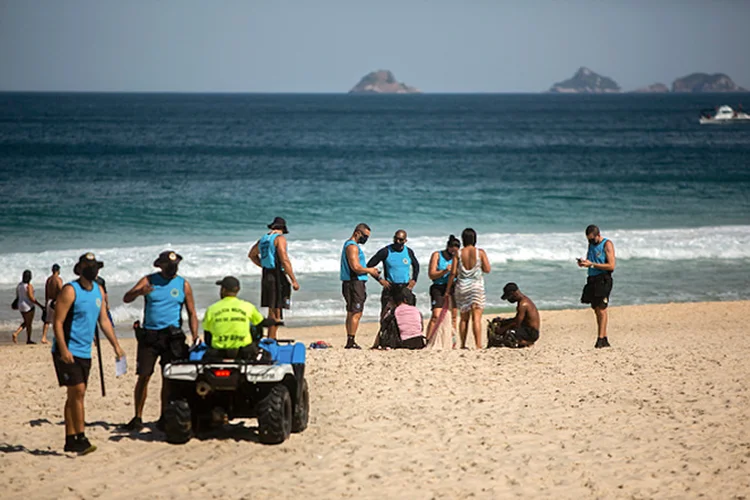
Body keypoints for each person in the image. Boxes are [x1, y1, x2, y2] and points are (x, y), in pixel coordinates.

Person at [51, 253, 125, 454]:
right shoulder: (70, 290)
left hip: (85, 350)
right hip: (67, 350)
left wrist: (116, 345)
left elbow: (104, 321)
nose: (92, 269)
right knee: (79, 392)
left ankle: (69, 438)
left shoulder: (98, 291)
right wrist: (64, 349)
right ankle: (81, 437)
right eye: (88, 266)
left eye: (95, 266)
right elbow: (57, 322)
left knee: (73, 394)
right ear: (80, 268)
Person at [121, 250, 199, 431]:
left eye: (175, 266)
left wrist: (195, 335)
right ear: (161, 266)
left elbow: (192, 312)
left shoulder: (183, 284)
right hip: (150, 336)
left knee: (169, 378)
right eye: (170, 266)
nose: (173, 269)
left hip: (173, 337)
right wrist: (140, 292)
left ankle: (165, 416)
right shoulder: (148, 280)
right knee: (144, 376)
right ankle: (138, 416)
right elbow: (127, 298)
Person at [248, 217, 300, 339]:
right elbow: (284, 259)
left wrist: (263, 265)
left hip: (266, 274)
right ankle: (271, 339)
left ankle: (272, 337)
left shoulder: (263, 240)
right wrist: (293, 279)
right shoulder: (279, 239)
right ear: (282, 229)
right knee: (276, 309)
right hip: (277, 275)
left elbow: (251, 255)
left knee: (271, 308)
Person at [202, 276, 265, 360]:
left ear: (223, 290)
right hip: (243, 351)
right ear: (238, 290)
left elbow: (207, 335)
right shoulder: (248, 306)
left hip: (218, 352)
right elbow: (260, 323)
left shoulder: (211, 309)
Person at [340, 223, 381, 349]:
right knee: (356, 312)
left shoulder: (351, 245)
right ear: (357, 233)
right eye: (365, 236)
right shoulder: (352, 247)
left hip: (350, 282)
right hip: (355, 282)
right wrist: (370, 270)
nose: (365, 239)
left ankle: (350, 339)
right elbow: (356, 267)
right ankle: (351, 340)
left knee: (351, 312)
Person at [449, 228, 491, 349]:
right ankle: (478, 345)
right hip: (476, 287)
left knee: (463, 318)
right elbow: (487, 269)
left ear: (463, 239)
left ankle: (463, 344)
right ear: (474, 238)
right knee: (476, 318)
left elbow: (453, 273)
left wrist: (448, 289)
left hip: (462, 287)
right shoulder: (480, 252)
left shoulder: (458, 253)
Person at [366, 229, 420, 319]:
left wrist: (414, 279)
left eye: (400, 240)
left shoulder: (409, 252)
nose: (397, 241)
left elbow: (416, 266)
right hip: (390, 287)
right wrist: (380, 280)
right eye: (396, 238)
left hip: (405, 287)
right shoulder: (385, 251)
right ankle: (384, 332)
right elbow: (369, 266)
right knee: (386, 315)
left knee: (407, 314)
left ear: (405, 241)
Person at [578, 225, 616, 348]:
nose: (591, 242)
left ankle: (601, 338)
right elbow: (591, 261)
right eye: (589, 240)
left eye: (592, 240)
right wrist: (584, 263)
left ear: (598, 235)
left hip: (603, 279)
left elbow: (611, 266)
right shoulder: (591, 245)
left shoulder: (607, 244)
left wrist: (593, 264)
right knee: (595, 308)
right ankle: (603, 337)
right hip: (592, 279)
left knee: (602, 308)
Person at [427, 235, 460, 341]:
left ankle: (452, 340)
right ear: (448, 247)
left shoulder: (457, 257)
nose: (453, 253)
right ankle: (428, 339)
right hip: (438, 286)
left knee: (454, 316)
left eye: (456, 251)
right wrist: (444, 271)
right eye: (452, 250)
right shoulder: (437, 255)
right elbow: (431, 275)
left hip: (453, 286)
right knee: (436, 315)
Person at [488, 283, 540, 348]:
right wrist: (504, 321)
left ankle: (526, 342)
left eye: (509, 297)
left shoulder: (523, 304)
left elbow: (517, 323)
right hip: (526, 328)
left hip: (531, 332)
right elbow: (518, 319)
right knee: (502, 324)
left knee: (508, 333)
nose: (508, 300)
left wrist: (502, 330)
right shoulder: (523, 300)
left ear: (514, 293)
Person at [12, 270, 44, 344]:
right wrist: (40, 305)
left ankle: (18, 334)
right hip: (28, 306)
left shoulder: (19, 285)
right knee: (28, 324)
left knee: (26, 322)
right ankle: (26, 338)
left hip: (21, 305)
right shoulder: (29, 286)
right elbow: (31, 298)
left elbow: (18, 296)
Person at [41, 264, 63, 344]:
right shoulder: (58, 279)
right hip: (55, 301)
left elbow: (46, 292)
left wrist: (46, 302)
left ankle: (44, 337)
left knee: (47, 320)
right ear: (58, 270)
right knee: (58, 320)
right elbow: (60, 290)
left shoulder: (49, 280)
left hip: (49, 301)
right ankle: (58, 336)